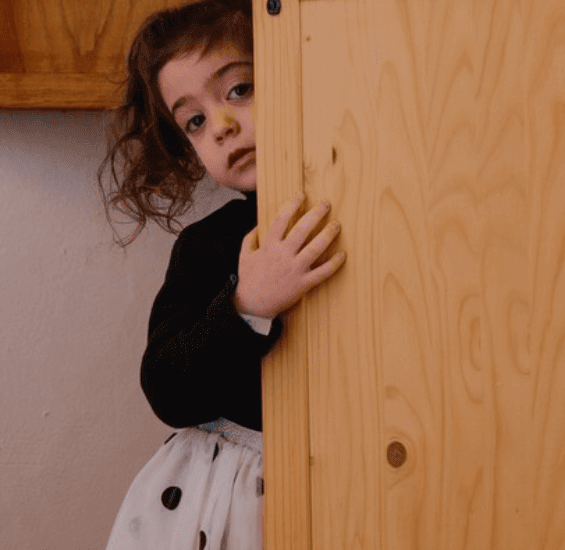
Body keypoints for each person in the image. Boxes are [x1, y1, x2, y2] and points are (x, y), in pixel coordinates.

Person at [98, 1, 345, 548]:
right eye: (195, 120)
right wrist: (245, 305)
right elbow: (166, 388)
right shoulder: (207, 246)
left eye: (239, 89)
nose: (224, 126)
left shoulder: (359, 207)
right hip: (224, 505)